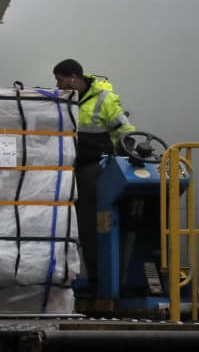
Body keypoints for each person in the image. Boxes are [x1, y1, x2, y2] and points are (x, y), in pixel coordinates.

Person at [53, 58, 135, 292]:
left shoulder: (104, 100)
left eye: (60, 80)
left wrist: (125, 155)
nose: (58, 85)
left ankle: (99, 278)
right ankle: (75, 276)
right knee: (67, 223)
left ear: (73, 78)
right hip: (69, 167)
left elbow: (124, 130)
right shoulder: (64, 99)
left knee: (89, 223)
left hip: (93, 167)